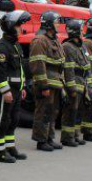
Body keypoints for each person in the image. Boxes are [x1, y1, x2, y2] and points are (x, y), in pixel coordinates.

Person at [0, 10, 31, 161]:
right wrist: (5, 90)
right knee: (2, 120)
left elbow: (19, 69)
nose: (21, 28)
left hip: (17, 89)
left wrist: (23, 86)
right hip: (6, 91)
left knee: (13, 119)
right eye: (19, 25)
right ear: (10, 26)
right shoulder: (1, 47)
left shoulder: (16, 46)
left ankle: (9, 147)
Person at [30, 11, 67, 150]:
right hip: (46, 85)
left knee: (53, 112)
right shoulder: (40, 41)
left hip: (56, 83)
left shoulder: (54, 40)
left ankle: (49, 138)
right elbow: (38, 65)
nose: (59, 25)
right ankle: (41, 140)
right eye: (57, 22)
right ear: (49, 24)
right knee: (43, 112)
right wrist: (43, 86)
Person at [60, 19, 92, 146]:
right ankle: (67, 137)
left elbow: (88, 65)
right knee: (71, 111)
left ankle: (75, 134)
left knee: (79, 111)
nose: (82, 32)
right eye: (80, 30)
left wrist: (89, 84)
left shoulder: (82, 46)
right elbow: (68, 69)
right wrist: (71, 88)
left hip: (82, 83)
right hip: (74, 84)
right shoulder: (67, 47)